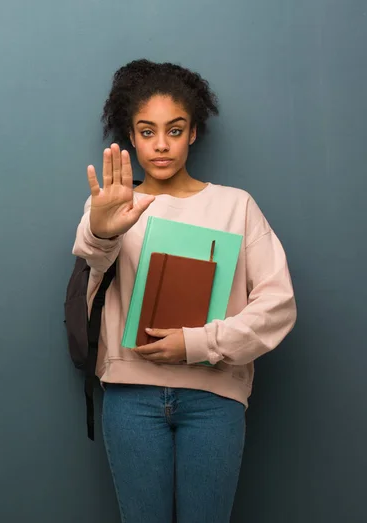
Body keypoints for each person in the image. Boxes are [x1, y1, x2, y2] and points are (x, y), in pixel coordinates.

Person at [72, 59, 297, 523]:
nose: (160, 145)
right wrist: (101, 229)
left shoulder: (236, 206)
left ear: (193, 132)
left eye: (174, 130)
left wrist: (197, 344)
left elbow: (277, 307)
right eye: (146, 131)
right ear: (130, 136)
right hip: (130, 397)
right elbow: (92, 265)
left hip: (213, 398)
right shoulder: (113, 206)